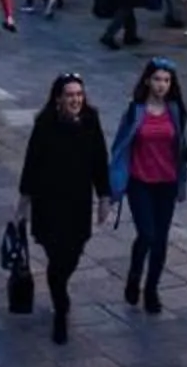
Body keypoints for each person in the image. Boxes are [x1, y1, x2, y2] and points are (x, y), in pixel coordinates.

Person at [16, 72, 116, 345]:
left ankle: (59, 289)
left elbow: (99, 159)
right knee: (56, 256)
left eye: (79, 95)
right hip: (48, 203)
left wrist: (104, 197)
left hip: (77, 203)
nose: (75, 100)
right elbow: (32, 163)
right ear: (58, 98)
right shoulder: (45, 123)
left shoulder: (90, 121)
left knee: (71, 255)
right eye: (70, 95)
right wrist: (23, 204)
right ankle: (60, 310)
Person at [107, 59, 187, 315]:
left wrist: (182, 179)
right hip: (140, 181)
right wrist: (115, 181)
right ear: (147, 81)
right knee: (147, 234)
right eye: (157, 79)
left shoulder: (175, 110)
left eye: (166, 80)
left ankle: (152, 288)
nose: (161, 85)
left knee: (161, 239)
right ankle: (135, 274)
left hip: (166, 181)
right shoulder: (135, 110)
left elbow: (181, 146)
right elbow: (120, 146)